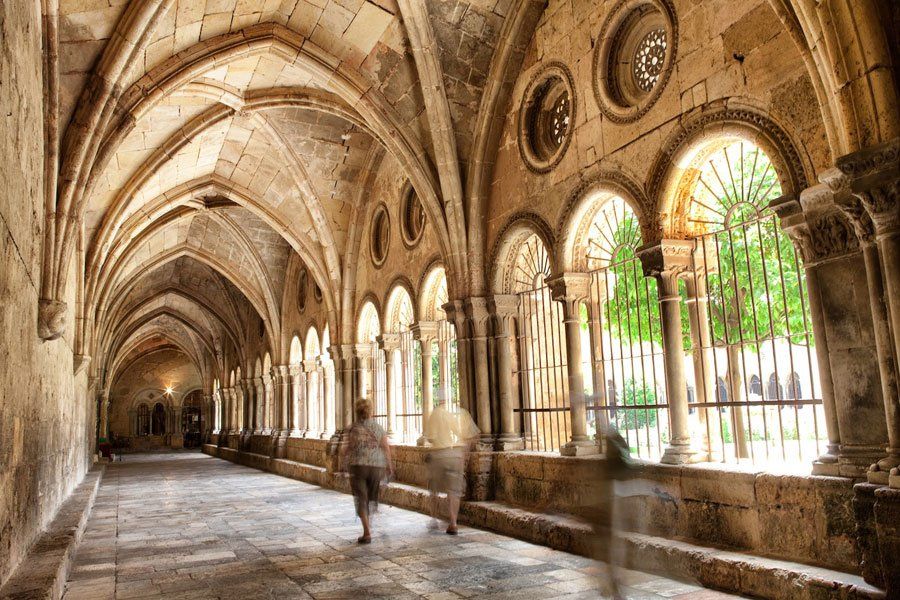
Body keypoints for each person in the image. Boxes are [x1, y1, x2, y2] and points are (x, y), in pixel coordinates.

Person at [423, 392, 479, 535]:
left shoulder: (436, 413)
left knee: (433, 489)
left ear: (439, 400)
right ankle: (453, 523)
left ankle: (434, 519)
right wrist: (463, 453)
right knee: (454, 491)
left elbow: (430, 438)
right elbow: (473, 436)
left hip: (440, 454)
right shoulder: (461, 413)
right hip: (456, 456)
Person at [341, 398, 393, 544]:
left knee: (361, 498)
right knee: (371, 498)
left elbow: (347, 448)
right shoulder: (378, 427)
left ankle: (367, 532)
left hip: (358, 467)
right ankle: (371, 519)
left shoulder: (353, 428)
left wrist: (343, 463)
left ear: (356, 411)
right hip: (376, 467)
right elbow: (385, 447)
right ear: (371, 411)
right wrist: (389, 465)